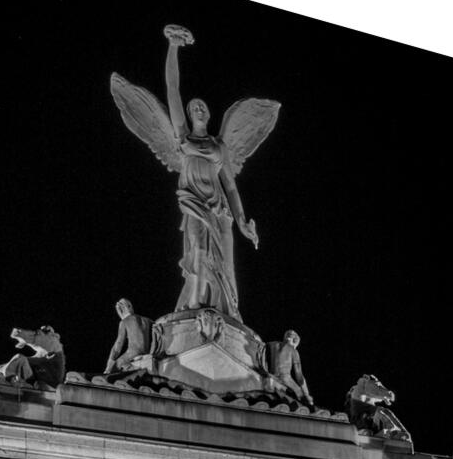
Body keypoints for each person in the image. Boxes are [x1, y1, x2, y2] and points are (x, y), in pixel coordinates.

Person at [164, 24, 258, 320]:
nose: (199, 109)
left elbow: (230, 186)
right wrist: (173, 47)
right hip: (193, 202)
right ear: (189, 116)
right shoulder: (184, 139)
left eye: (202, 106)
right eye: (194, 108)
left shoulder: (219, 145)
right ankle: (194, 305)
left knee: (224, 264)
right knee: (198, 254)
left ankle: (225, 311)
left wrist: (242, 221)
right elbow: (172, 90)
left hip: (218, 208)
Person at [104, 299, 153, 374]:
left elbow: (118, 346)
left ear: (129, 307)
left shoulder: (124, 322)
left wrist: (109, 365)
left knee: (113, 368)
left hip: (132, 353)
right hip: (146, 352)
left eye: (121, 309)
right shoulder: (147, 320)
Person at [270, 330, 313, 405]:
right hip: (285, 378)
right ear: (295, 341)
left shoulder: (272, 344)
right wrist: (306, 393)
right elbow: (299, 376)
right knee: (303, 398)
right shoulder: (293, 350)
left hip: (271, 377)